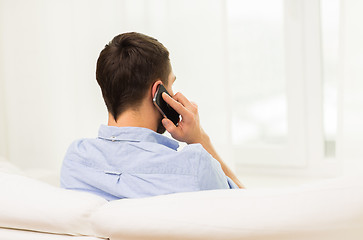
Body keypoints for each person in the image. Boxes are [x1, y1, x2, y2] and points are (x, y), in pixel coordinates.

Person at [60, 32, 243, 201]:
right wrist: (200, 139)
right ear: (158, 92)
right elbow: (248, 210)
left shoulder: (75, 159)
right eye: (170, 86)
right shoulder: (195, 168)